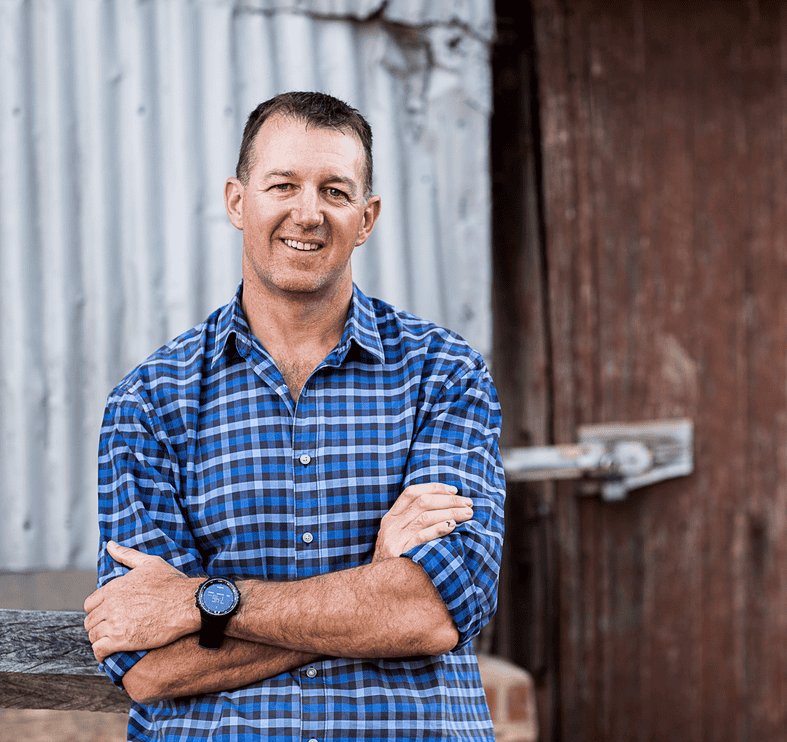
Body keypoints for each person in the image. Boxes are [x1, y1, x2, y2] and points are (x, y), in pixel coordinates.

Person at [82, 91, 505, 741]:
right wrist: (372, 583)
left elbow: (431, 612)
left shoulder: (444, 374)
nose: (307, 214)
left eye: (334, 192)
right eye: (282, 185)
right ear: (236, 201)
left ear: (366, 218)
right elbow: (149, 665)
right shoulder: (150, 401)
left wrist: (203, 602)